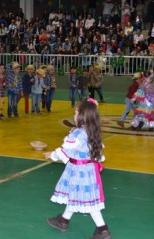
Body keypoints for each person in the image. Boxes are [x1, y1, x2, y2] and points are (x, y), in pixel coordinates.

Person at [44, 99, 111, 239]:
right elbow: (97, 154)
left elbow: (67, 151)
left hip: (78, 172)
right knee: (76, 196)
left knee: (88, 202)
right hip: (88, 170)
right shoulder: (92, 130)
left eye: (75, 113)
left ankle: (102, 230)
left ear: (82, 115)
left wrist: (53, 155)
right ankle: (63, 220)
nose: (74, 115)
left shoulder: (78, 133)